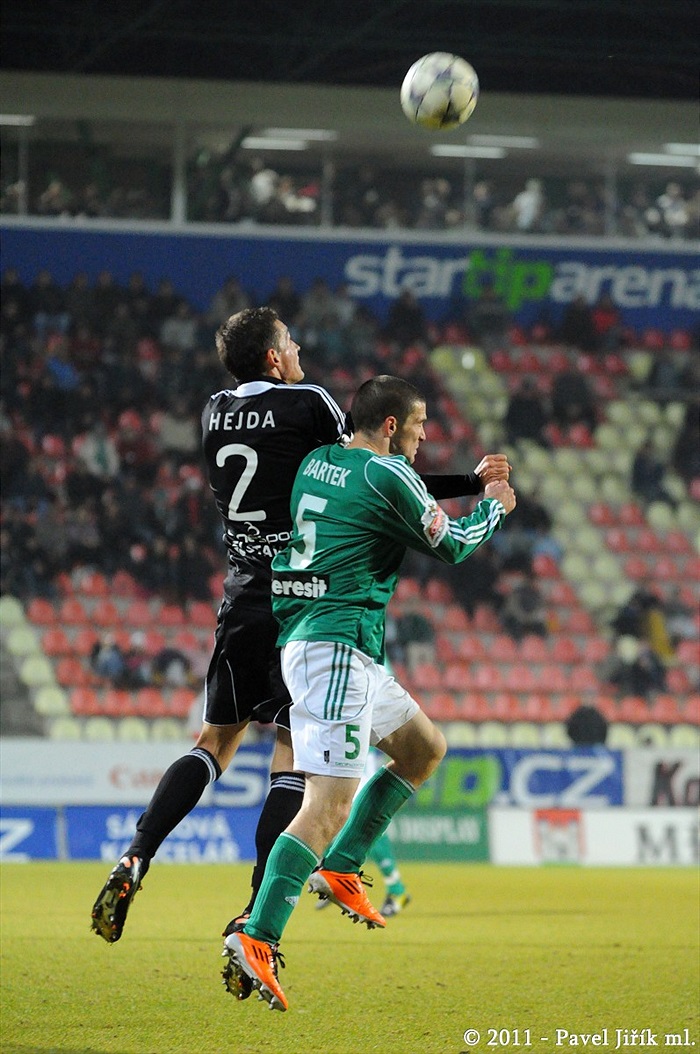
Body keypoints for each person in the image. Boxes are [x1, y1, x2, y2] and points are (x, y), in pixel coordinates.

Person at [90, 308, 509, 944]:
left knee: (213, 744)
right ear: (272, 359)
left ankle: (137, 854)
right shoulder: (308, 403)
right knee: (293, 760)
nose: (298, 348)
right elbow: (377, 470)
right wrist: (469, 486)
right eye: (289, 341)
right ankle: (257, 906)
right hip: (298, 595)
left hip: (238, 594)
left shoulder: (212, 411)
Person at [222, 374, 515, 1011]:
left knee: (423, 749)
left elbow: (389, 500)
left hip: (331, 638)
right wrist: (493, 502)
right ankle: (257, 934)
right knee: (324, 806)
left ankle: (343, 864)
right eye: (419, 425)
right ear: (390, 426)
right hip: (335, 650)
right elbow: (458, 546)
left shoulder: (320, 461)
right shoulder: (390, 476)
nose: (424, 435)